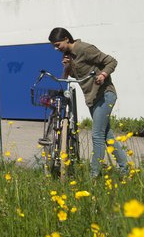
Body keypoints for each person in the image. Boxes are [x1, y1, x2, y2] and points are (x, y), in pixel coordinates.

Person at [48, 27, 129, 177]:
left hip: (105, 94)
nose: (56, 48)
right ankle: (125, 170)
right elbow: (66, 78)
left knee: (97, 135)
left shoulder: (85, 48)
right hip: (92, 98)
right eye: (54, 45)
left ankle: (93, 175)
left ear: (66, 38)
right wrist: (66, 66)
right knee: (107, 136)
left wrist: (103, 75)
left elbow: (111, 61)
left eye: (57, 44)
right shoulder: (68, 55)